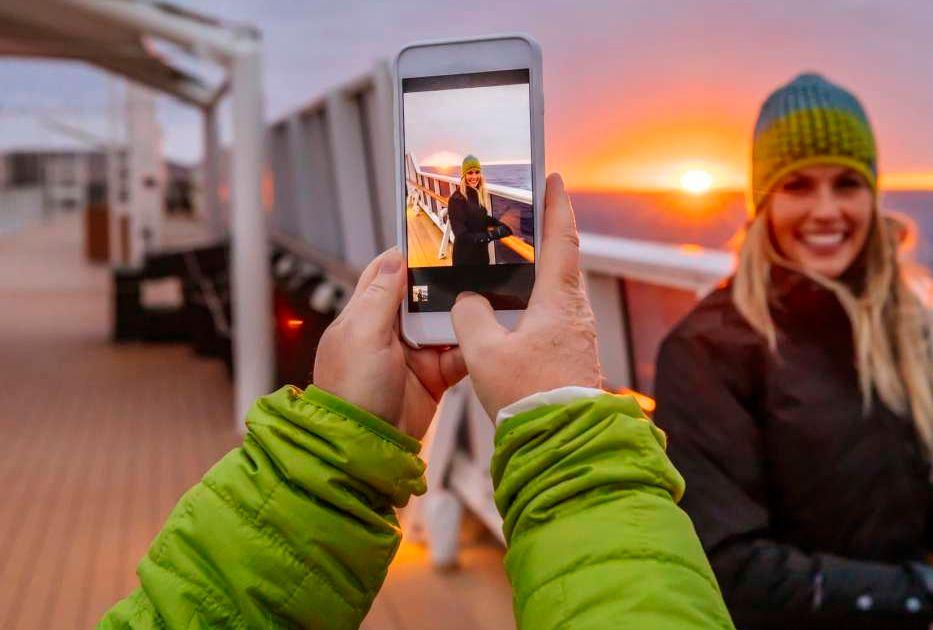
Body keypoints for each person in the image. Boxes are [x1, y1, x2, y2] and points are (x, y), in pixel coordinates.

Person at [99, 175, 734, 629]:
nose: (478, 177)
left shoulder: (472, 197)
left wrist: (334, 453)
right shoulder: (466, 200)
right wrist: (564, 431)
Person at [652, 74, 933, 629]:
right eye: (798, 185)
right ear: (764, 203)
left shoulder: (880, 327)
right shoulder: (706, 350)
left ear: (872, 194)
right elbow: (733, 570)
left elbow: (881, 496)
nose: (826, 210)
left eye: (847, 183)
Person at [447, 154, 512, 266]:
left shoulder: (477, 194)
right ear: (464, 175)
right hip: (465, 259)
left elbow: (481, 217)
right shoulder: (456, 199)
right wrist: (491, 235)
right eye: (470, 172)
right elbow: (461, 235)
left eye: (477, 172)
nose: (474, 176)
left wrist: (501, 225)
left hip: (481, 256)